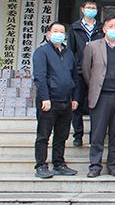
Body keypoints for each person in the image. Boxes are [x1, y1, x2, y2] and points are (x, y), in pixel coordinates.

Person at [82, 16, 115, 178]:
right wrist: (95, 85)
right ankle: (95, 166)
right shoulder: (92, 46)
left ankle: (114, 165)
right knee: (98, 133)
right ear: (104, 29)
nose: (113, 29)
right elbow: (86, 70)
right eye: (110, 26)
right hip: (100, 96)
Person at [32, 22, 80, 179]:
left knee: (62, 135)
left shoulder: (68, 53)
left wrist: (75, 98)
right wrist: (45, 98)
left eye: (62, 31)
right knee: (43, 135)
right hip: (49, 101)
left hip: (66, 101)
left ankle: (59, 163)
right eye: (55, 31)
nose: (59, 34)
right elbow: (40, 77)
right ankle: (41, 165)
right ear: (48, 34)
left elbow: (75, 77)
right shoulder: (42, 52)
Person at [66, 0, 104, 147]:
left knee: (95, 104)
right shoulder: (75, 28)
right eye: (88, 7)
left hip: (96, 71)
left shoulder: (101, 28)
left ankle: (94, 134)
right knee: (77, 103)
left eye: (93, 8)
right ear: (82, 9)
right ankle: (78, 134)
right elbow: (70, 50)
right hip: (79, 71)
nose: (91, 10)